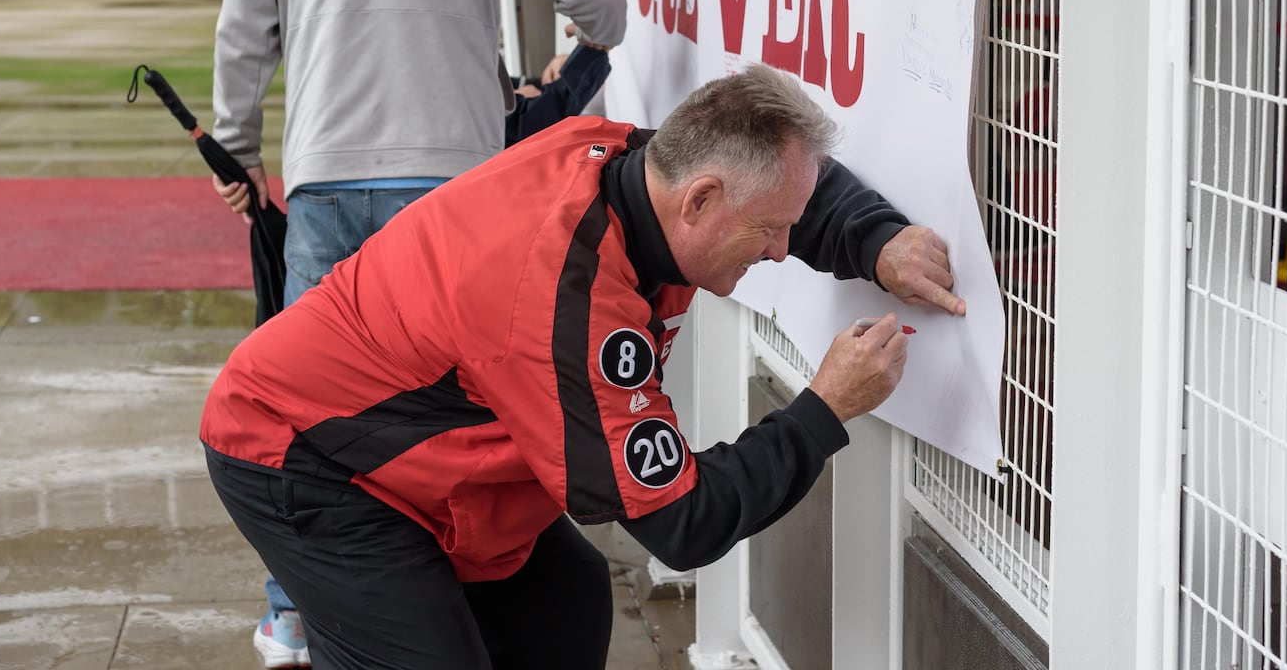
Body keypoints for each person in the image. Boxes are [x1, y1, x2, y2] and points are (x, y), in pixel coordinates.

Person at [202, 63, 967, 670]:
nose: (777, 250)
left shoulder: (635, 159)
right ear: (698, 202)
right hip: (299, 451)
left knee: (565, 605)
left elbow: (777, 171)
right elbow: (681, 522)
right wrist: (824, 410)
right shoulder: (564, 298)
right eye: (769, 232)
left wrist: (874, 240)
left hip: (407, 434)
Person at [209, 0, 627, 668]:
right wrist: (567, 53)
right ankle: (447, 594)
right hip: (452, 192)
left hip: (321, 180)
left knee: (306, 411)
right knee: (453, 411)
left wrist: (240, 156)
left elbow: (244, 29)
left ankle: (294, 621)